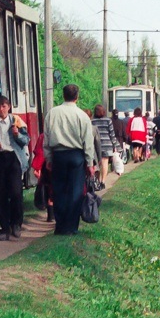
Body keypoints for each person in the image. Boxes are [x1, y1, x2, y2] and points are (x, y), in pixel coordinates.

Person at [43, 83, 96, 236]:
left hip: (58, 155)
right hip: (76, 156)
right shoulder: (82, 116)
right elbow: (88, 142)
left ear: (63, 95)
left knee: (59, 191)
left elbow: (46, 139)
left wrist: (48, 158)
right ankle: (71, 227)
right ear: (77, 97)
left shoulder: (52, 113)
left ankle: (60, 226)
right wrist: (89, 163)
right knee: (75, 192)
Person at [0, 95, 30, 240]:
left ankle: (16, 224)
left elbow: (26, 140)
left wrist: (17, 135)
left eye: (4, 106)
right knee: (0, 195)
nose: (1, 109)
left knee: (16, 193)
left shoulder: (16, 121)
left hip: (14, 158)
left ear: (8, 107)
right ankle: (4, 228)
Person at [91, 104, 116, 181]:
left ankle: (97, 181)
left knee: (97, 164)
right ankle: (103, 181)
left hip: (95, 145)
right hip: (107, 144)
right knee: (105, 163)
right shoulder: (108, 120)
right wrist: (114, 144)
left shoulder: (92, 121)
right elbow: (112, 134)